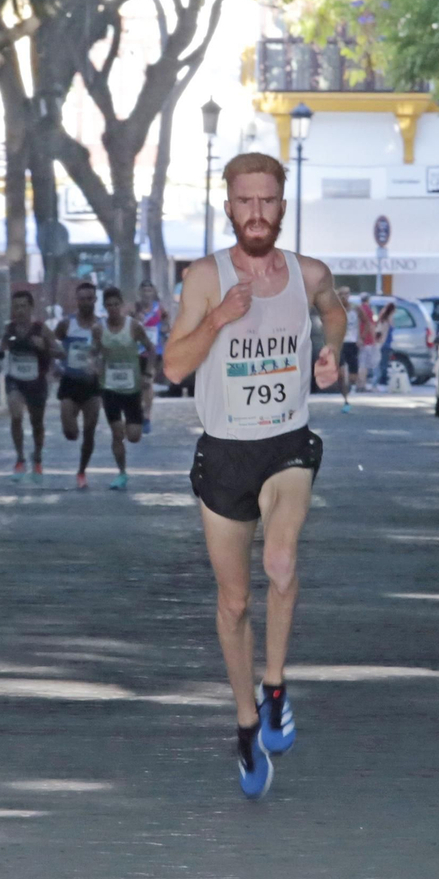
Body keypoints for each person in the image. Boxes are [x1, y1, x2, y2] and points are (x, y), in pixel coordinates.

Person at [163, 151, 344, 800]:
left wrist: (332, 351)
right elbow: (174, 369)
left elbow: (334, 307)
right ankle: (245, 721)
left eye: (268, 201)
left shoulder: (308, 272)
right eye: (246, 202)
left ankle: (275, 689)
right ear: (229, 207)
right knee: (235, 601)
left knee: (284, 561)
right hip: (225, 452)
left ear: (283, 208)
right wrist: (217, 320)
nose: (257, 213)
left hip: (287, 444)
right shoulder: (205, 279)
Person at [0, 290, 60, 484]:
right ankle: (20, 459)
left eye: (24, 306)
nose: (20, 310)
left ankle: (38, 457)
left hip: (36, 381)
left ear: (31, 308)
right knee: (16, 416)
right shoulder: (10, 329)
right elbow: (1, 350)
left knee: (36, 423)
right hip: (15, 379)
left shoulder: (41, 329)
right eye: (16, 307)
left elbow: (60, 352)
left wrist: (44, 347)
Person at [99, 287, 156, 491]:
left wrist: (147, 374)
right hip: (110, 388)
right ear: (105, 307)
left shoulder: (133, 326)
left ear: (121, 305)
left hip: (131, 389)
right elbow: (93, 352)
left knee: (133, 436)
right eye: (109, 305)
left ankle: (127, 426)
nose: (113, 308)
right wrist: (93, 366)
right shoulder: (99, 329)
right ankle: (122, 472)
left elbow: (150, 348)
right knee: (116, 434)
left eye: (116, 304)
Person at [55, 281, 104, 490]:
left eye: (89, 298)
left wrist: (100, 366)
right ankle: (80, 467)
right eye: (81, 299)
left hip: (92, 385)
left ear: (95, 300)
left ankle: (82, 471)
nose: (85, 303)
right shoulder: (67, 324)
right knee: (70, 432)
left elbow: (106, 352)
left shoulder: (101, 326)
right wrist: (56, 363)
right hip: (70, 382)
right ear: (77, 300)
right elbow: (53, 344)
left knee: (89, 431)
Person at [136, 280, 168, 434]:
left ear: (153, 292)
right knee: (137, 384)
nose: (146, 293)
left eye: (149, 290)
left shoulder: (159, 309)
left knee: (148, 382)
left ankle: (146, 416)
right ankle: (137, 412)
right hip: (137, 350)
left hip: (153, 351)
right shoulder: (134, 309)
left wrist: (164, 333)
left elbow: (166, 326)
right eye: (144, 290)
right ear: (139, 292)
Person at [338, 287, 357, 413]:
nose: (344, 296)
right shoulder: (334, 308)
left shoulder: (356, 309)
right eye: (342, 294)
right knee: (340, 373)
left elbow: (367, 322)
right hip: (339, 343)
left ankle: (350, 388)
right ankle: (345, 399)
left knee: (353, 376)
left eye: (347, 294)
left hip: (352, 343)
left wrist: (361, 338)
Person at [357, 293, 379, 391]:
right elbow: (371, 326)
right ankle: (363, 384)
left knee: (361, 363)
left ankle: (359, 384)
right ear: (368, 300)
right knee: (365, 364)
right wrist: (374, 339)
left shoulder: (358, 309)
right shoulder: (368, 311)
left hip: (359, 339)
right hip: (367, 340)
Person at [374, 302, 396, 388]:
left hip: (386, 343)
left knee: (384, 363)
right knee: (383, 364)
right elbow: (385, 333)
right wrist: (382, 343)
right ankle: (382, 382)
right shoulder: (387, 320)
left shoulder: (385, 319)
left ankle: (381, 381)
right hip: (385, 344)